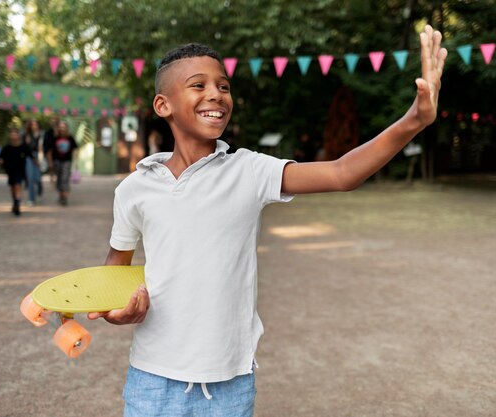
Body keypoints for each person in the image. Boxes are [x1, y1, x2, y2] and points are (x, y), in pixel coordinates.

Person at [87, 26, 446, 417]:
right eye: (198, 85)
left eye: (223, 86)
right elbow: (113, 274)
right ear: (163, 105)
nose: (216, 95)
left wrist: (414, 119)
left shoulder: (249, 170)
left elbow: (343, 173)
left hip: (230, 383)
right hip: (152, 380)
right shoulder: (135, 189)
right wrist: (115, 313)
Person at [0, 128, 30, 216]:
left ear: (18, 135)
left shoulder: (23, 147)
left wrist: (37, 163)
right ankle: (15, 201)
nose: (14, 136)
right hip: (10, 171)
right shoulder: (7, 148)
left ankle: (17, 203)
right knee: (13, 187)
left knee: (18, 185)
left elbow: (30, 154)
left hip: (20, 170)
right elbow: (1, 158)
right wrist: (0, 161)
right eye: (12, 134)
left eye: (15, 134)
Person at [46, 120, 77, 206]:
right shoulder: (55, 138)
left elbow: (75, 149)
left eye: (64, 127)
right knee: (59, 178)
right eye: (61, 127)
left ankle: (64, 197)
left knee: (65, 178)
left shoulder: (70, 138)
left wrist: (75, 161)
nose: (62, 129)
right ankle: (61, 195)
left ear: (66, 128)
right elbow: (50, 151)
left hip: (66, 161)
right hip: (57, 161)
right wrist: (50, 162)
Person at [22, 119, 44, 205]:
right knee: (30, 178)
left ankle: (39, 185)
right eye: (32, 124)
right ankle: (31, 198)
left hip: (39, 156)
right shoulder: (27, 135)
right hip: (29, 158)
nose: (34, 126)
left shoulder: (41, 135)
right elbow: (26, 148)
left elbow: (42, 147)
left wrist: (39, 158)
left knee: (37, 178)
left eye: (35, 124)